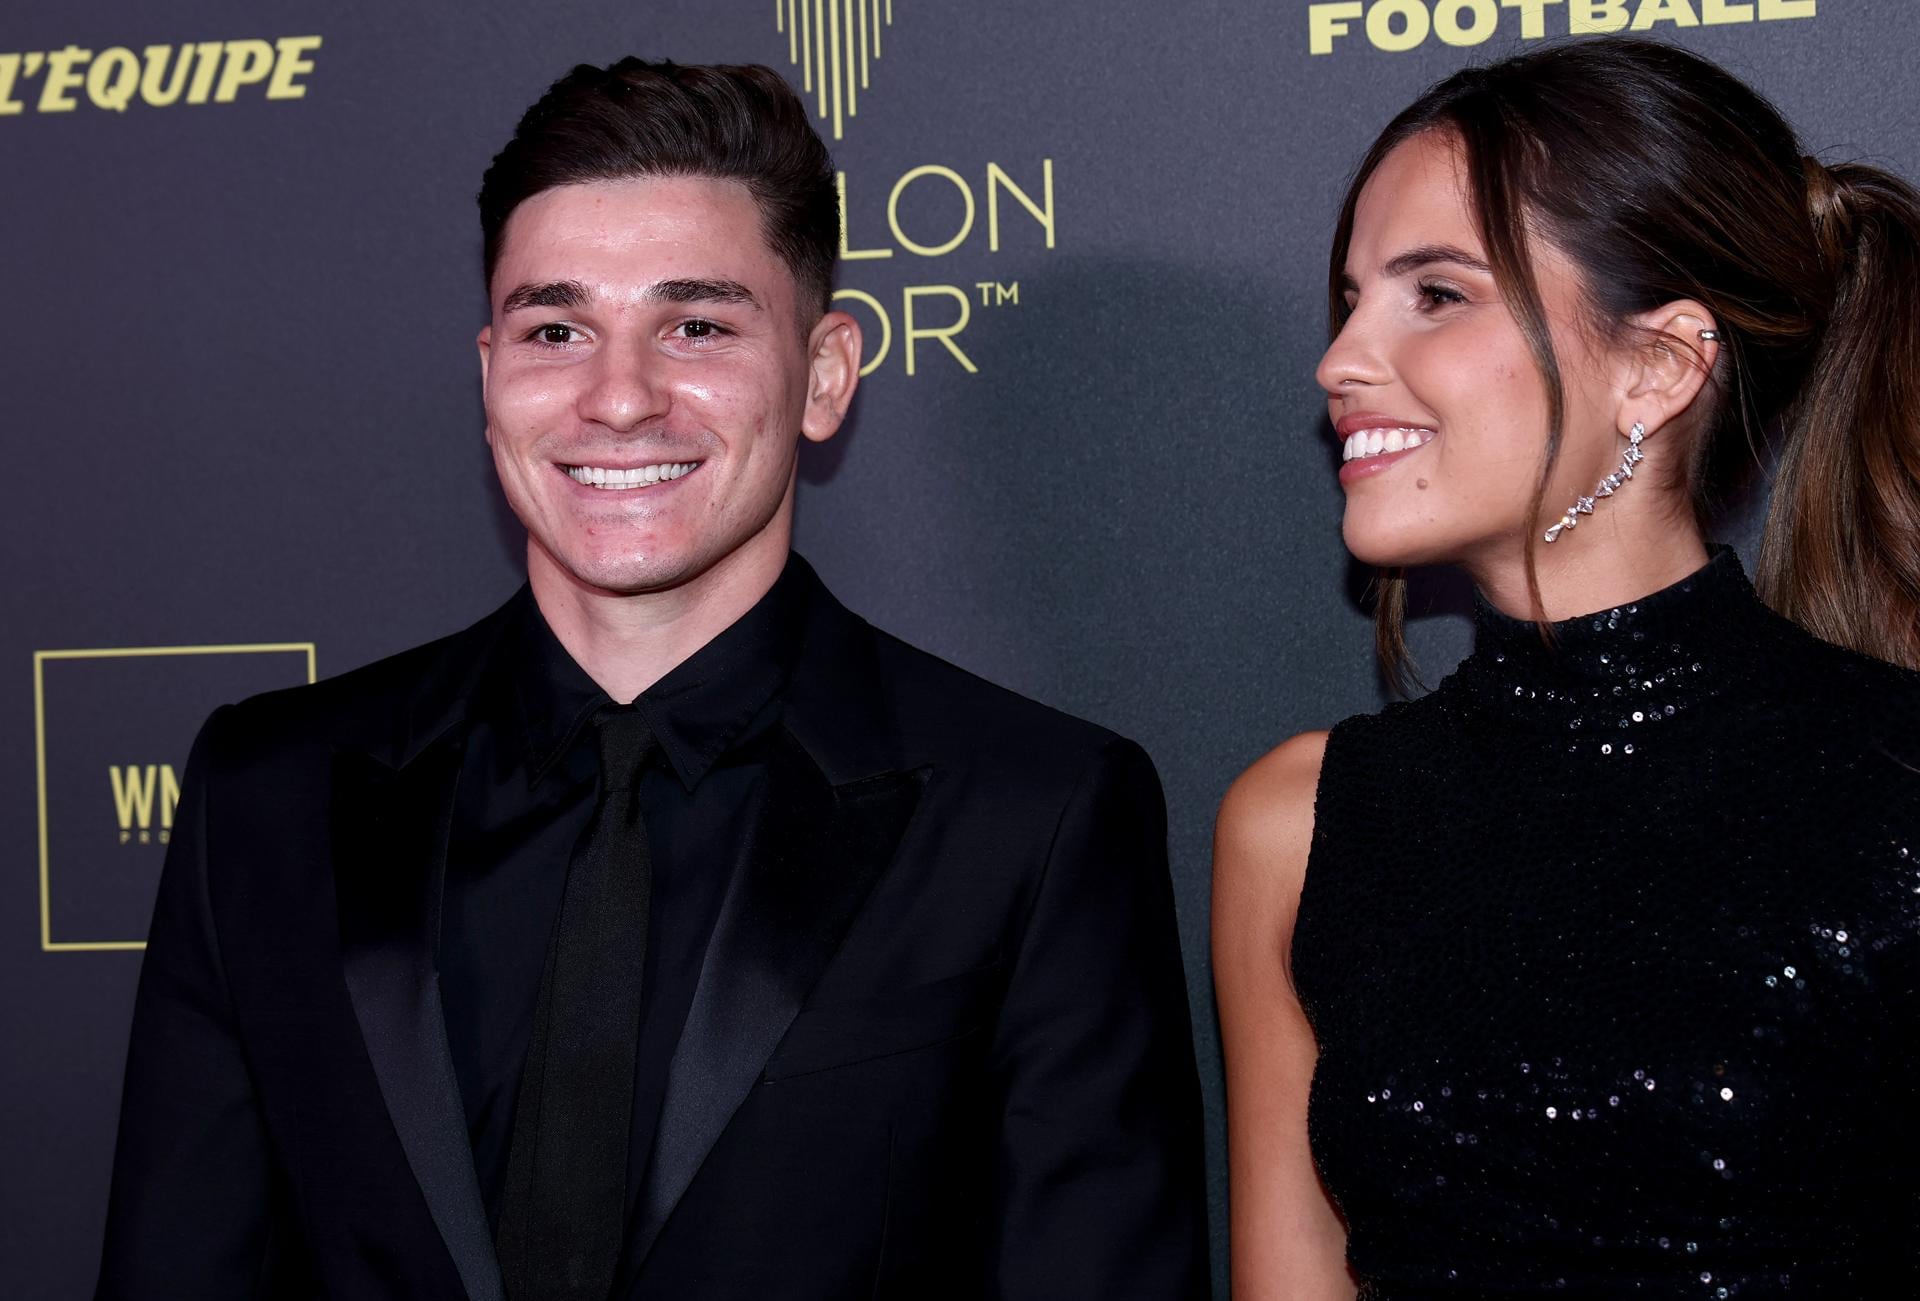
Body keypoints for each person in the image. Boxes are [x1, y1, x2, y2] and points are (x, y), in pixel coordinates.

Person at [97, 57, 1207, 1300]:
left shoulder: (1032, 813)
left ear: (826, 372)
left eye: (698, 325)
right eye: (556, 328)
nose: (617, 397)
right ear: (489, 378)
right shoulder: (270, 794)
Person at [1214, 37, 1920, 1299]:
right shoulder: (1301, 821)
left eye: (1436, 293)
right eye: (1350, 297)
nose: (1337, 363)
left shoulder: (1895, 785)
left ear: (1658, 366)